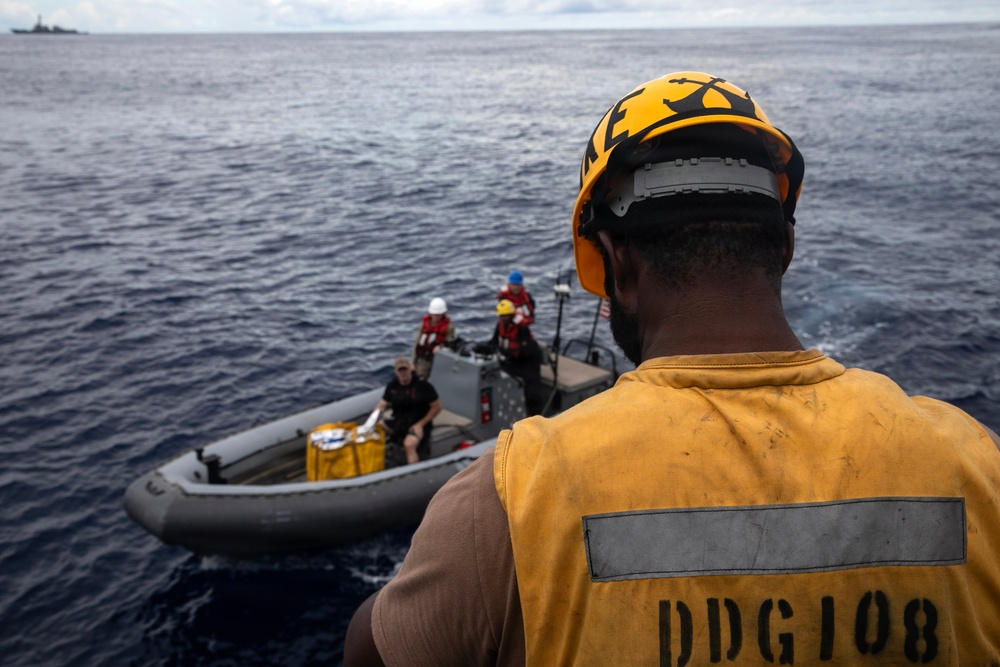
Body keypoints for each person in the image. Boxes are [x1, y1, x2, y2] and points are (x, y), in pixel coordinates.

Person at [346, 72, 1000, 664]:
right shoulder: (977, 465)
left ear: (614, 262)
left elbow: (372, 652)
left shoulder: (510, 497)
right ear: (787, 246)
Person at [373, 357, 441, 466]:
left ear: (410, 369)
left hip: (418, 424)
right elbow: (382, 404)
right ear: (396, 372)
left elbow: (437, 407)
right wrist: (374, 416)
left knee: (409, 444)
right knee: (379, 427)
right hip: (400, 422)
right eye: (400, 370)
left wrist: (421, 424)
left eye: (405, 369)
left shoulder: (423, 386)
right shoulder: (392, 386)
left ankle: (413, 470)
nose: (403, 373)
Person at [488, 299, 544, 416]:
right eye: (501, 316)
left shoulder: (521, 328)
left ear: (511, 315)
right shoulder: (500, 326)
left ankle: (536, 415)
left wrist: (509, 356)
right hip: (511, 361)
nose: (503, 318)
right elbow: (493, 342)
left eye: (505, 316)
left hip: (528, 362)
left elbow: (527, 351)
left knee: (532, 391)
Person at [412, 297, 456, 380]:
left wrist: (441, 347)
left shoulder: (449, 328)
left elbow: (451, 344)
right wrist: (413, 363)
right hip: (424, 359)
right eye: (434, 314)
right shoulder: (423, 325)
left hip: (439, 361)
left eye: (439, 315)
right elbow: (416, 343)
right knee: (419, 379)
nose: (436, 317)